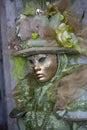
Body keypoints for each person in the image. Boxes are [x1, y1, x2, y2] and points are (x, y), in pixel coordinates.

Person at [9, 2, 87, 130]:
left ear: (60, 58)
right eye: (31, 61)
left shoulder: (75, 91)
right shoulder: (28, 91)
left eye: (42, 59)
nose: (35, 67)